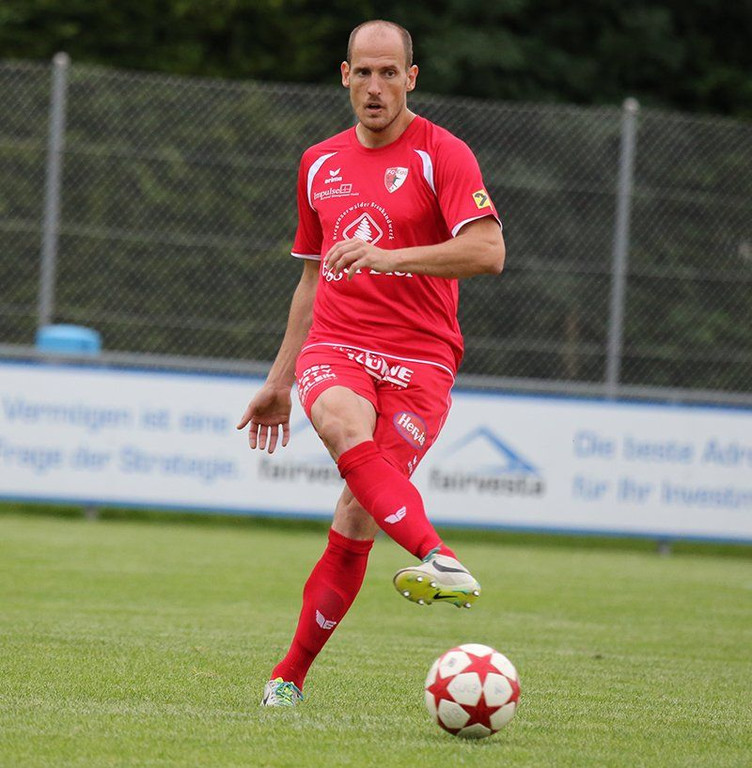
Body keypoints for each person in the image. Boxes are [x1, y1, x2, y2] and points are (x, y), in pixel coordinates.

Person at [237, 19, 505, 708]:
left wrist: (389, 258)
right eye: (364, 72)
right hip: (338, 342)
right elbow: (310, 278)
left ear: (411, 78)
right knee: (337, 421)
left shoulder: (443, 154)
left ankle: (291, 671)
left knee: (358, 511)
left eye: (390, 73)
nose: (376, 86)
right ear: (345, 76)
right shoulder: (318, 162)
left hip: (422, 357)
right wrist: (278, 381)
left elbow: (487, 251)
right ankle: (439, 557)